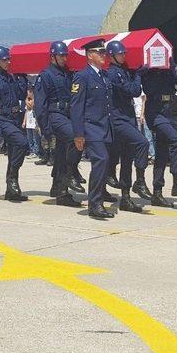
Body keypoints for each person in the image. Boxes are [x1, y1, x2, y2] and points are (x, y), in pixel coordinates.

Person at [104, 40, 153, 213]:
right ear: (112, 56)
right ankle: (139, 181)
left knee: (127, 158)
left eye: (124, 53)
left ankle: (125, 197)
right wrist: (138, 76)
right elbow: (134, 91)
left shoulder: (123, 71)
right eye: (120, 54)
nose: (124, 56)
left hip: (127, 117)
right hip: (119, 119)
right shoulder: (113, 74)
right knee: (142, 143)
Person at [34, 41, 84, 207]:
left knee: (62, 153)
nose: (64, 58)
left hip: (68, 114)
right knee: (74, 138)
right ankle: (69, 176)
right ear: (53, 56)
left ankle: (59, 188)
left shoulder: (68, 74)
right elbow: (40, 105)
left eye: (65, 55)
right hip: (55, 114)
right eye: (61, 55)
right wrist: (45, 127)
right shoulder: (45, 75)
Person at [70, 39, 115, 219]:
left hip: (105, 127)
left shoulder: (104, 76)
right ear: (90, 55)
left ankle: (98, 198)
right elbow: (76, 107)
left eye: (104, 52)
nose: (104, 55)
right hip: (91, 127)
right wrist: (78, 134)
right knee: (101, 160)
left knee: (104, 163)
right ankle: (95, 204)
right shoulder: (82, 76)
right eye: (100, 52)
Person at [141, 59, 177, 207]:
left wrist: (171, 69)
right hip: (155, 112)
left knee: (162, 153)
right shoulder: (148, 70)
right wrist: (148, 69)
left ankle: (157, 192)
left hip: (168, 111)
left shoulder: (170, 68)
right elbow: (147, 89)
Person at [0, 46, 29, 201]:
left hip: (15, 117)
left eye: (9, 59)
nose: (8, 62)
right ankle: (12, 178)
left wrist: (21, 75)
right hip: (2, 118)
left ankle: (11, 190)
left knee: (13, 152)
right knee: (22, 143)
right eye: (5, 60)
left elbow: (22, 94)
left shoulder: (11, 77)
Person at [22, 90, 41, 157]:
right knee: (29, 138)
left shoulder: (35, 101)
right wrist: (24, 122)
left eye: (29, 93)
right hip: (28, 123)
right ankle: (32, 151)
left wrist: (27, 100)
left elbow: (32, 107)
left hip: (34, 123)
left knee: (35, 138)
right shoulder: (27, 102)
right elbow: (26, 112)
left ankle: (36, 151)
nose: (28, 94)